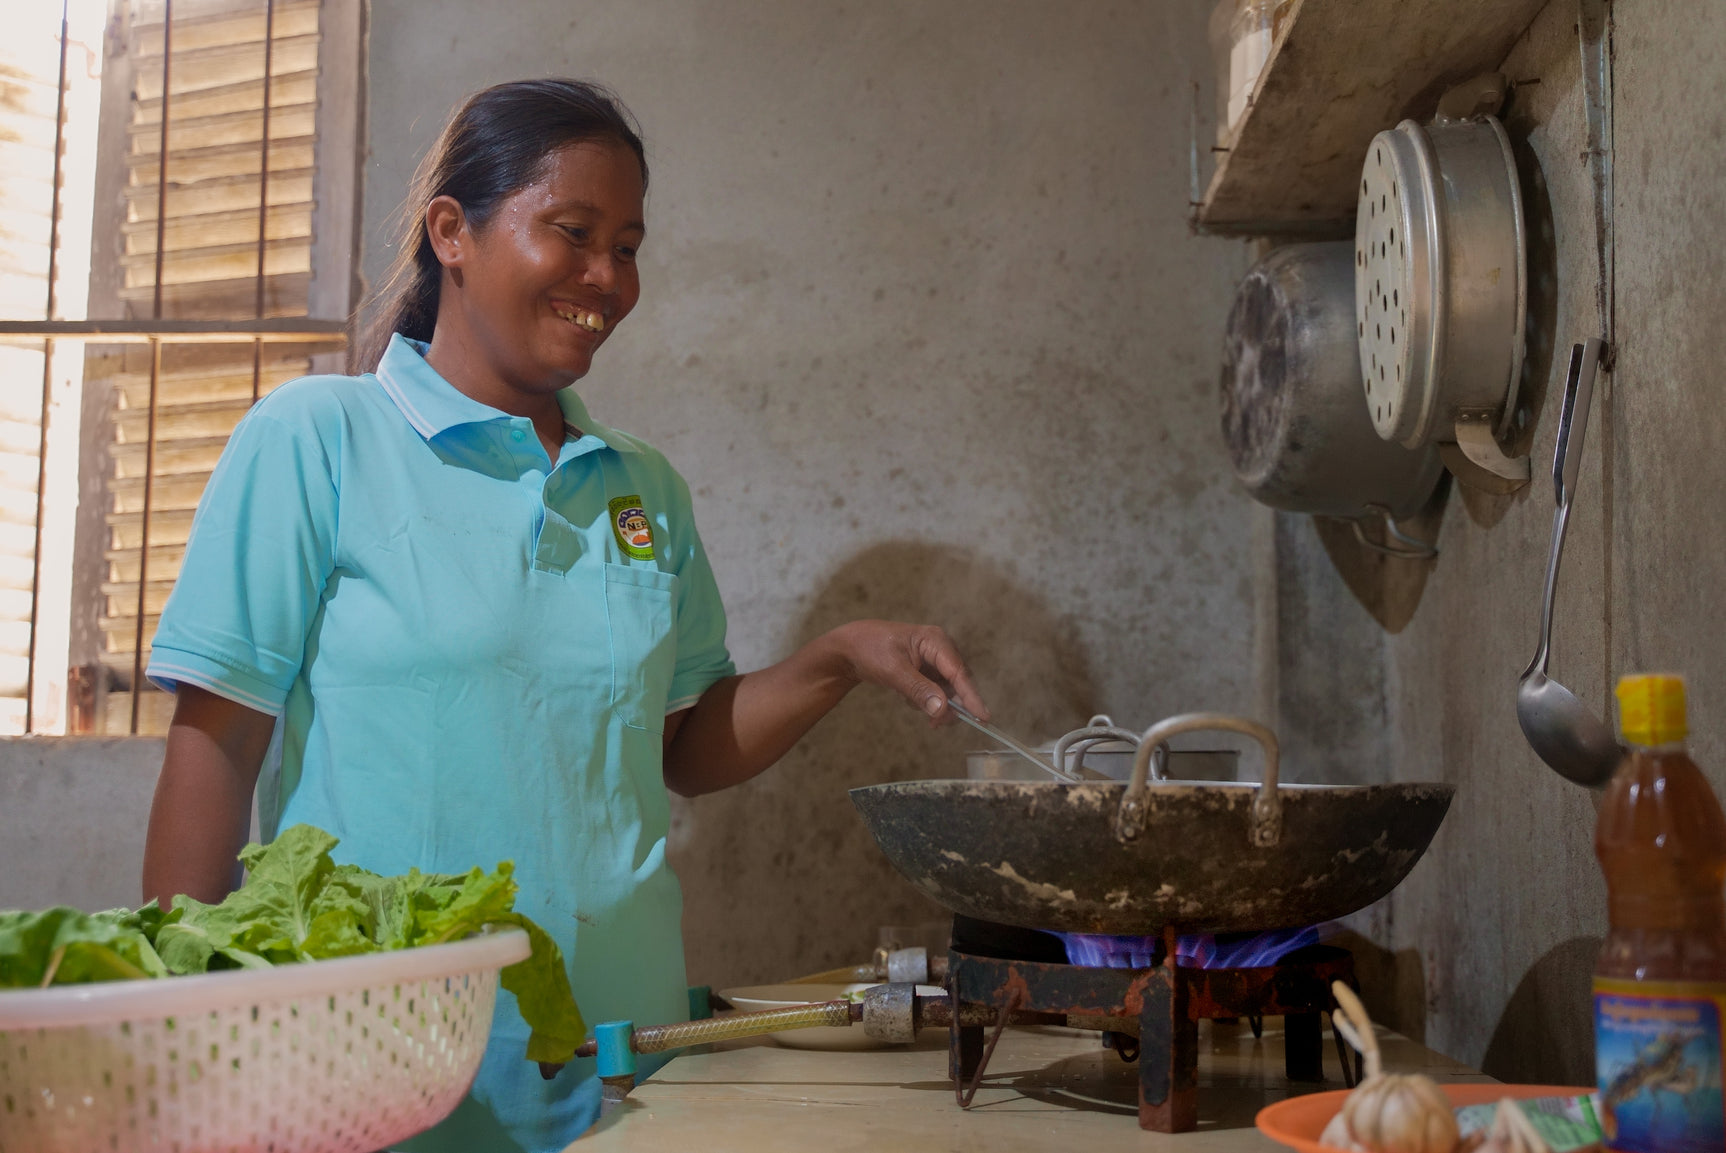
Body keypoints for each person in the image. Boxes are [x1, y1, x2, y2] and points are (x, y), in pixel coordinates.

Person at [139, 78, 988, 1152]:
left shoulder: (641, 486)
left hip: (624, 1065)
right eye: (572, 233)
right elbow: (214, 752)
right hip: (371, 1066)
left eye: (627, 245)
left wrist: (836, 657)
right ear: (452, 231)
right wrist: (180, 1037)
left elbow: (679, 747)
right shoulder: (317, 441)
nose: (607, 278)